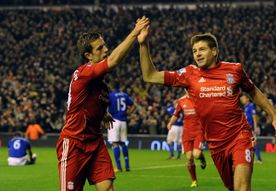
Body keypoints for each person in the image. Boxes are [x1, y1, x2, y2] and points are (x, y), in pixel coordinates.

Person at [138, 28, 276, 191]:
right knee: (232, 187)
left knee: (242, 187)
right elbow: (149, 75)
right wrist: (143, 44)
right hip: (216, 145)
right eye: (194, 51)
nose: (197, 54)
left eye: (202, 49)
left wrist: (274, 116)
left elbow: (254, 92)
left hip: (240, 136)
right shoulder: (189, 74)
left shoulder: (234, 70)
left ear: (214, 51)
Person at [56, 16, 149, 191]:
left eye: (105, 45)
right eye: (100, 48)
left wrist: (101, 114)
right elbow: (113, 61)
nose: (106, 50)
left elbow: (79, 103)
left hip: (95, 142)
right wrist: (135, 32)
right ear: (88, 55)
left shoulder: (103, 89)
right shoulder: (82, 73)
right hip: (74, 142)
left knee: (107, 188)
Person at [167, 90, 206, 188]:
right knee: (189, 158)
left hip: (198, 131)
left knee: (196, 154)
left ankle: (202, 158)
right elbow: (176, 114)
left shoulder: (200, 99)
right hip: (187, 133)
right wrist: (170, 123)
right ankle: (194, 181)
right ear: (185, 90)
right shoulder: (181, 101)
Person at [108, 82, 135, 172]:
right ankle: (127, 166)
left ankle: (119, 167)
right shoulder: (125, 95)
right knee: (123, 143)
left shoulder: (110, 95)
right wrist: (128, 113)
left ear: (111, 86)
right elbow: (132, 105)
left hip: (114, 120)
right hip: (123, 121)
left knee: (115, 143)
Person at [240, 94, 262, 164]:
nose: (242, 101)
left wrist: (255, 127)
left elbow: (254, 116)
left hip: (251, 129)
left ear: (247, 99)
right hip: (245, 129)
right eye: (241, 100)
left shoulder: (251, 106)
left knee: (253, 143)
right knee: (246, 143)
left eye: (243, 99)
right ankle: (247, 158)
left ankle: (259, 159)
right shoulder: (245, 107)